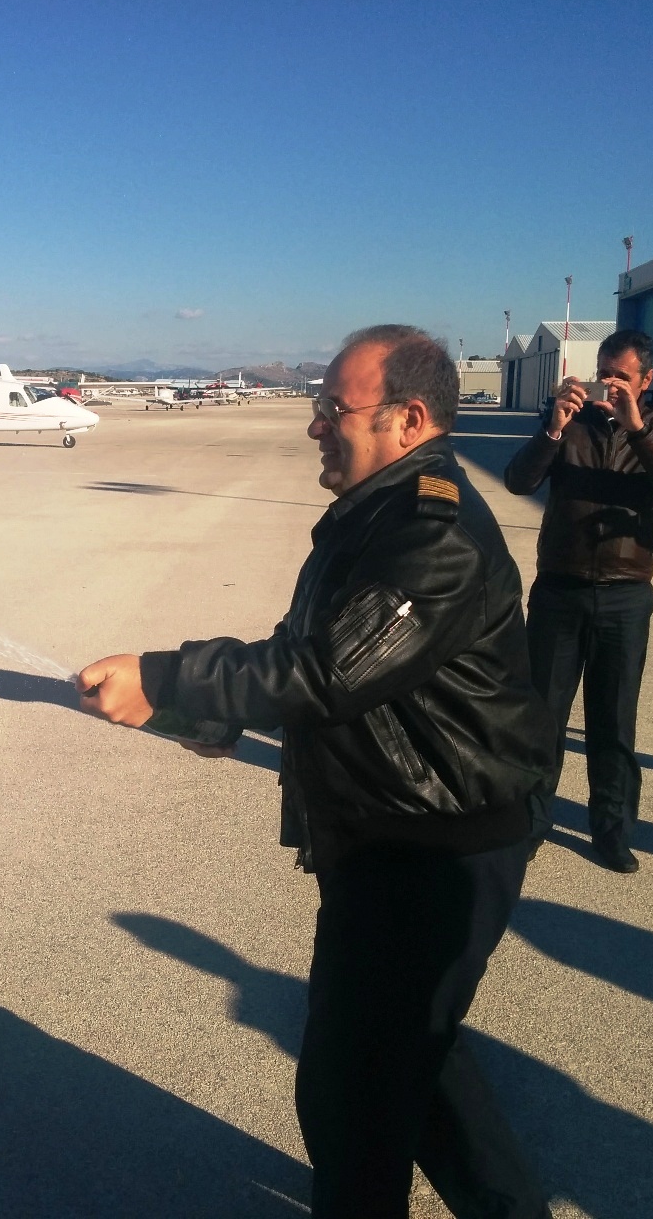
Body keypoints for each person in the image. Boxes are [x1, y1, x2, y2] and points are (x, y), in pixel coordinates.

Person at [78, 326, 555, 1219]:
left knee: (353, 1096)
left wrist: (165, 677)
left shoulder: (434, 533)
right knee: (414, 1062)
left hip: (432, 848)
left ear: (409, 419)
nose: (315, 426)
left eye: (335, 408)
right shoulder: (379, 511)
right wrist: (211, 713)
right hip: (392, 830)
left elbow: (327, 670)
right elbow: (332, 660)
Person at [502, 329, 653, 873]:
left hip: (625, 594)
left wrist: (637, 429)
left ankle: (611, 830)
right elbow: (518, 481)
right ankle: (531, 821)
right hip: (560, 590)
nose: (610, 385)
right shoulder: (572, 425)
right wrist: (552, 428)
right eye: (604, 374)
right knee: (543, 716)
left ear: (646, 380)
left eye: (622, 377)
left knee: (613, 721)